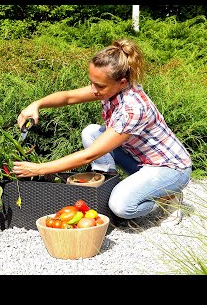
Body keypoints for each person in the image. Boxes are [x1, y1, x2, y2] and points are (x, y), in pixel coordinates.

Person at [12, 38, 192, 226]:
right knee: (91, 132)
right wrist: (36, 104)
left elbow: (89, 156)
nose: (93, 90)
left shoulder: (133, 108)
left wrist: (38, 168)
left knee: (122, 206)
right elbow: (68, 97)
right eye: (91, 82)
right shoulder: (109, 88)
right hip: (141, 161)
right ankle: (109, 184)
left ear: (122, 82)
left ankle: (167, 196)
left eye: (99, 86)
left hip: (170, 168)